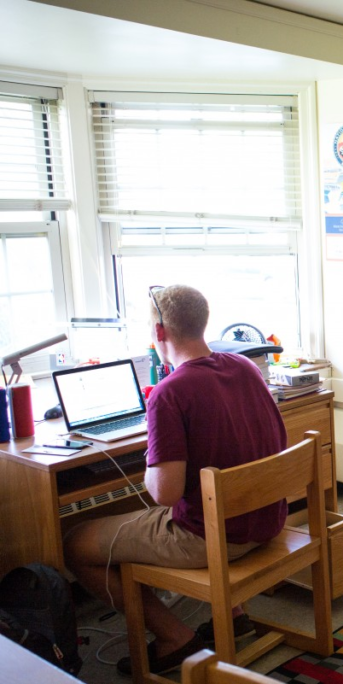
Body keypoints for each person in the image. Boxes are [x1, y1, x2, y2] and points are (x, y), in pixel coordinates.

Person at [63, 285, 288, 675]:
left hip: (216, 539)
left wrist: (152, 457)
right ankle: (233, 617)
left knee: (75, 543)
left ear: (160, 334)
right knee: (208, 491)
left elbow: (164, 495)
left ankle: (174, 638)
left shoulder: (169, 393)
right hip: (267, 520)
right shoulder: (246, 368)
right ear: (203, 323)